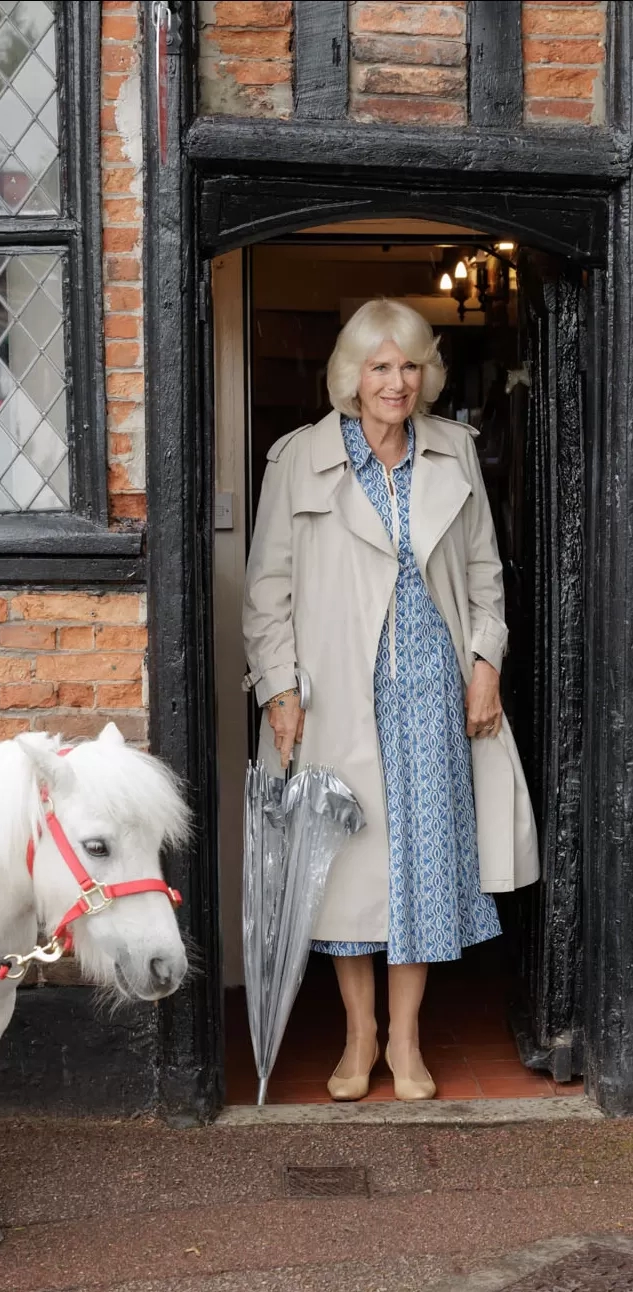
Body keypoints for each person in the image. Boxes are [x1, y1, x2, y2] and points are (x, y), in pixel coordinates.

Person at [242, 298, 539, 1104]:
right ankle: (358, 1033)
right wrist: (276, 691)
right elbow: (264, 590)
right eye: (379, 366)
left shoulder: (452, 454)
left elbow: (484, 574)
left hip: (432, 691)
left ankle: (405, 1039)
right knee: (344, 867)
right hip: (334, 690)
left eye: (409, 365)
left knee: (422, 867)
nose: (396, 382)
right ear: (351, 375)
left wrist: (484, 665)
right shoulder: (298, 460)